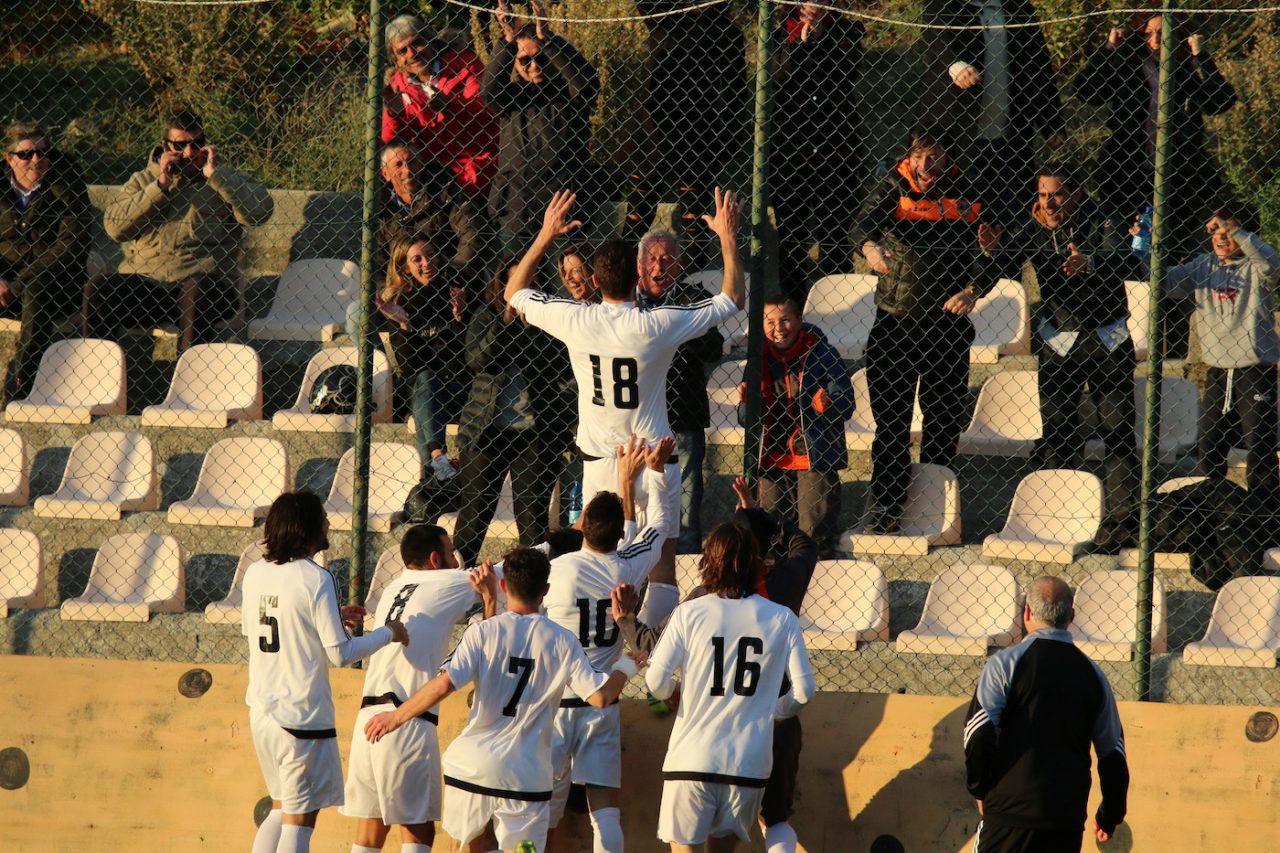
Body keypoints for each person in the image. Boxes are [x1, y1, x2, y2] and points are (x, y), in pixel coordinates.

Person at [504, 188, 744, 630]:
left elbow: (515, 291)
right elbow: (731, 298)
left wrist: (544, 235)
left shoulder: (576, 318)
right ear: (637, 277)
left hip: (602, 463)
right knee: (661, 565)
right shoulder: (658, 323)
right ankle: (646, 653)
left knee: (592, 557)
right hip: (654, 458)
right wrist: (728, 237)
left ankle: (583, 635)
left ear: (594, 282)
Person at [364, 547, 638, 853]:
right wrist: (624, 668)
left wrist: (394, 717)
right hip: (526, 776)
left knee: (468, 846)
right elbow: (600, 697)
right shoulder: (563, 640)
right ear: (545, 591)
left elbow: (443, 686)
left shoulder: (481, 631)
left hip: (471, 768)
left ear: (505, 586)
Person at [613, 477, 818, 853]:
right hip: (750, 762)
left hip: (693, 756)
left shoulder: (693, 609)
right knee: (773, 822)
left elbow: (656, 676)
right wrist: (775, 710)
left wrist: (673, 690)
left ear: (709, 561)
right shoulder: (781, 613)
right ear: (756, 561)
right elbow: (805, 692)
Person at [983, 163, 1145, 549]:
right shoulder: (1031, 226)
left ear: (1076, 194)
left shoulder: (1102, 216)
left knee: (1117, 430)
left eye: (1056, 194)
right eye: (1042, 194)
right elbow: (1003, 267)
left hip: (1107, 337)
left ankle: (1122, 523)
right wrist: (989, 255)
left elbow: (1127, 259)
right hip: (1059, 340)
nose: (1049, 202)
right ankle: (1057, 517)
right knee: (1058, 433)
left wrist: (1090, 262)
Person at [242, 491, 410, 853]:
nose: (328, 523)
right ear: (307, 527)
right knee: (300, 821)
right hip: (300, 716)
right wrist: (388, 633)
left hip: (262, 712)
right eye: (322, 517)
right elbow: (341, 653)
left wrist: (330, 616)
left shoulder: (255, 573)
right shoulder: (316, 577)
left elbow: (273, 628)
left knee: (280, 807)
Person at [851, 125, 995, 534]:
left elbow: (998, 248)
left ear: (948, 158)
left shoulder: (968, 190)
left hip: (947, 326)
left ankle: (935, 508)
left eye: (934, 156)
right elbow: (862, 224)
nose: (924, 165)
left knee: (943, 421)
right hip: (894, 323)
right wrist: (870, 247)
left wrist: (973, 289)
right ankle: (887, 506)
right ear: (909, 156)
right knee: (891, 423)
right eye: (918, 156)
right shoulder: (893, 182)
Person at [543, 436, 674, 852]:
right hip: (604, 700)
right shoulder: (628, 567)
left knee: (542, 810)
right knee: (606, 813)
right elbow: (661, 524)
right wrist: (652, 475)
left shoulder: (556, 569)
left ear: (581, 525)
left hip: (555, 702)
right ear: (618, 534)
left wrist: (623, 484)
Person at [342, 524, 498, 853]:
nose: (458, 561)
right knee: (418, 832)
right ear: (433, 559)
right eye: (452, 553)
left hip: (366, 721)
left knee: (370, 831)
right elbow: (511, 573)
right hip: (406, 719)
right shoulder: (450, 580)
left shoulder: (391, 587)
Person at [964, 576, 1129, 852]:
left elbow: (978, 734)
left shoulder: (1005, 664)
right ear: (1071, 616)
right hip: (1064, 820)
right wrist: (1109, 815)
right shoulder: (1094, 676)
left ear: (1026, 612)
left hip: (1009, 815)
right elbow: (1113, 754)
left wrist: (979, 788)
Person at [93, 108, 273, 350]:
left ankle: (189, 381)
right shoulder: (144, 180)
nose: (189, 153)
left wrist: (216, 176)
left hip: (205, 288)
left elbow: (259, 212)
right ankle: (98, 380)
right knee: (99, 290)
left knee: (196, 292)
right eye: (180, 146)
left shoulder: (222, 180)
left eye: (196, 143)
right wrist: (159, 187)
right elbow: (115, 228)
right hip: (149, 284)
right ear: (165, 146)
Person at [1073, 13, 1237, 262]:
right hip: (1127, 174)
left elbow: (1221, 100)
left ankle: (1168, 294)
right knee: (1128, 247)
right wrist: (1108, 48)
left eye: (1164, 33)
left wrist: (1200, 56)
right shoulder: (1128, 67)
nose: (1156, 39)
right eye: (1149, 33)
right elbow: (1085, 90)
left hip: (1179, 175)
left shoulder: (1184, 72)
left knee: (1171, 251)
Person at [450, 256, 575, 566]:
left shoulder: (551, 319)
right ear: (502, 287)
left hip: (535, 434)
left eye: (530, 282)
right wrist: (506, 325)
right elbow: (478, 360)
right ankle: (453, 585)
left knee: (532, 519)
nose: (522, 289)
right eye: (514, 283)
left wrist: (533, 324)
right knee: (474, 514)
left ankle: (531, 590)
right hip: (486, 430)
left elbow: (561, 368)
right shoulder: (486, 315)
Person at [1166, 206, 1280, 500]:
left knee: (1260, 444)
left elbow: (1273, 265)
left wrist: (1235, 230)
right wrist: (1145, 248)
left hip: (1254, 371)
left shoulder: (1257, 268)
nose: (1220, 238)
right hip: (1218, 371)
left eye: (1227, 232)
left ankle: (1263, 513)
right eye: (1215, 232)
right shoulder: (1203, 265)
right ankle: (1211, 510)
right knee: (1209, 444)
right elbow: (1165, 282)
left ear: (1244, 236)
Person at [920, 0, 1066, 223]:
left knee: (1012, 212)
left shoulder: (1019, 9)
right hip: (959, 136)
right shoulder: (944, 5)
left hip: (1009, 135)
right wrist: (955, 64)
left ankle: (1009, 256)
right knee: (961, 213)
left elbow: (1038, 66)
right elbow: (938, 40)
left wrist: (1051, 122)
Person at [626, 0, 748, 263]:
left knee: (694, 224)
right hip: (651, 132)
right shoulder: (665, 15)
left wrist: (728, 140)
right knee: (637, 215)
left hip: (697, 133)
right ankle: (623, 284)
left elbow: (736, 92)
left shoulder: (726, 32)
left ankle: (693, 291)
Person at [742, 296, 854, 559]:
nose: (778, 328)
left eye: (785, 320)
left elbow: (846, 403)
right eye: (770, 322)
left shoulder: (823, 354)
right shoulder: (758, 357)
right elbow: (744, 421)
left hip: (813, 455)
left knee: (813, 535)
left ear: (799, 321)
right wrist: (748, 405)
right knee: (772, 533)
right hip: (772, 458)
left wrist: (826, 403)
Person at [484, 1, 601, 251]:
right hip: (517, 211)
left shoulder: (569, 96)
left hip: (563, 209)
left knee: (568, 282)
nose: (534, 66)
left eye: (542, 58)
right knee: (517, 286)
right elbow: (489, 90)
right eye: (525, 60)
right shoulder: (511, 98)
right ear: (514, 64)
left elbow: (587, 84)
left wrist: (548, 39)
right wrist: (508, 39)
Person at [637, 229, 725, 554]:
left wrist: (680, 325)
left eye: (667, 259)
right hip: (640, 416)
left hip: (682, 413)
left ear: (679, 265)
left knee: (686, 498)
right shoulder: (627, 303)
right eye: (652, 259)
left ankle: (686, 560)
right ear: (639, 265)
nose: (659, 266)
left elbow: (714, 348)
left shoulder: (691, 299)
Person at [771, 3, 866, 299]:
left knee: (835, 236)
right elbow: (779, 76)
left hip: (836, 152)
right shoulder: (778, 33)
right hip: (790, 154)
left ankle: (838, 312)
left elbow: (846, 74)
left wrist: (821, 39)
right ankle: (793, 310)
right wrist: (799, 44)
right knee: (791, 239)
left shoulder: (847, 31)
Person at [348, 142, 483, 343]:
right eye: (399, 165)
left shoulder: (446, 192)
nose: (408, 170)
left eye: (413, 162)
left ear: (423, 165)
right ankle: (380, 370)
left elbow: (472, 234)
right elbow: (374, 261)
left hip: (445, 285)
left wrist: (452, 276)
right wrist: (386, 296)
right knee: (357, 315)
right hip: (402, 290)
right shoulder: (378, 208)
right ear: (385, 174)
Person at [0, 121, 90, 406]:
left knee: (37, 290)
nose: (36, 160)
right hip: (4, 283)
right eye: (26, 154)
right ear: (9, 158)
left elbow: (70, 245)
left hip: (55, 284)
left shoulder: (67, 184)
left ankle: (23, 388)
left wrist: (21, 280)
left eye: (42, 152)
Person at [381, 15, 498, 198]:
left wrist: (451, 106)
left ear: (431, 41)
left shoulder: (466, 65)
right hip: (430, 172)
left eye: (417, 43)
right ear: (396, 61)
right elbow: (392, 145)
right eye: (403, 51)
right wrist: (394, 115)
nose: (412, 54)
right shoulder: (398, 87)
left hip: (478, 163)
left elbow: (488, 112)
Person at [381, 237, 471, 469]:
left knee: (425, 399)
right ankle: (438, 459)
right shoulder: (399, 305)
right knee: (425, 381)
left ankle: (433, 466)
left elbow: (470, 358)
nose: (427, 263)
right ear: (405, 267)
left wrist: (460, 318)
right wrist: (404, 327)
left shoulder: (458, 289)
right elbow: (410, 367)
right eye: (417, 259)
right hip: (426, 389)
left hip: (459, 387)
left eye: (431, 254)